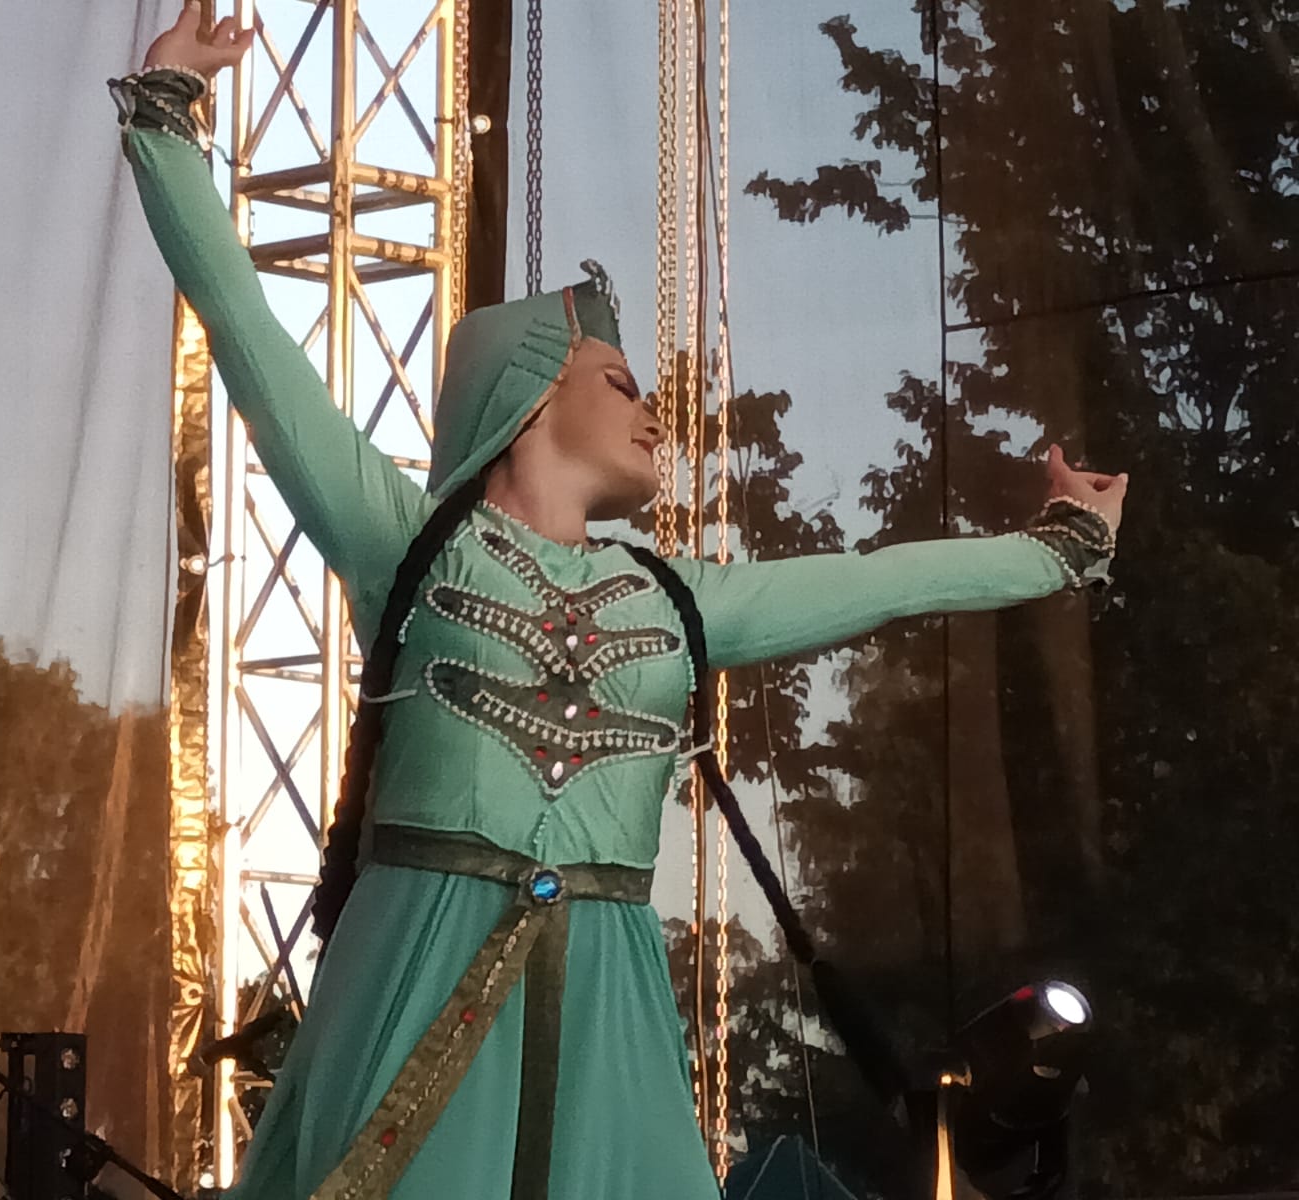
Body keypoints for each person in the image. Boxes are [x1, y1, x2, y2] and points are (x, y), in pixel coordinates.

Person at [110, 8, 1127, 1198]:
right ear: (529, 395)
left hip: (609, 994)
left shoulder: (673, 600)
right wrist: (168, 123)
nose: (653, 413)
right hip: (417, 966)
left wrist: (1055, 550)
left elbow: (876, 584)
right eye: (620, 382)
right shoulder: (411, 547)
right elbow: (255, 349)